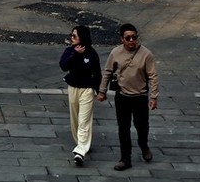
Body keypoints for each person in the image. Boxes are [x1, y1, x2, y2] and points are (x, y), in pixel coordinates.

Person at [97, 23, 159, 171]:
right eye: (128, 38)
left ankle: (143, 145)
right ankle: (125, 158)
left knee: (142, 126)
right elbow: (107, 72)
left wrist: (154, 97)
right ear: (122, 39)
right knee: (123, 128)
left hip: (140, 96)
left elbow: (153, 76)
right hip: (122, 97)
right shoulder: (115, 53)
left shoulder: (146, 54)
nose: (132, 40)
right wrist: (102, 91)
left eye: (134, 37)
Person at [60, 24, 101, 166]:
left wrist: (99, 91)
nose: (71, 38)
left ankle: (80, 151)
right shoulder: (69, 51)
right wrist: (75, 55)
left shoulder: (91, 53)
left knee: (84, 120)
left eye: (74, 36)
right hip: (73, 88)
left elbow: (97, 73)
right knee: (75, 119)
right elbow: (64, 65)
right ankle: (82, 144)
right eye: (71, 35)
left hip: (87, 90)